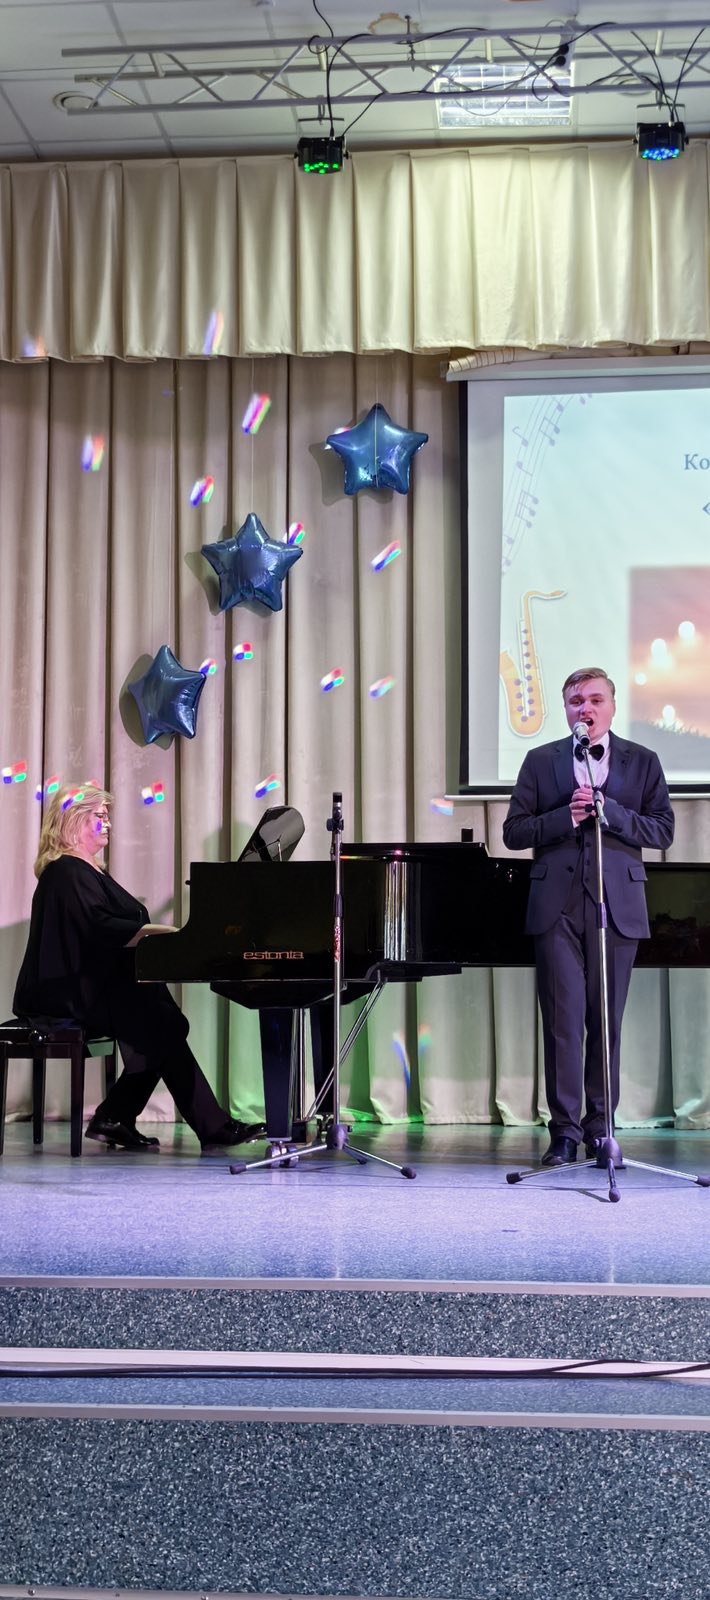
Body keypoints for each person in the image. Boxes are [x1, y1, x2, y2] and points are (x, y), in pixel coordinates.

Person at [13, 784, 264, 1153]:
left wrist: (164, 935)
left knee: (161, 1020)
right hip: (63, 994)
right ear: (72, 820)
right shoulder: (65, 871)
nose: (108, 823)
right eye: (99, 816)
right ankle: (199, 1125)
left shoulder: (88, 871)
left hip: (87, 987)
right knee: (162, 1021)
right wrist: (165, 934)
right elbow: (99, 928)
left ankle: (117, 1117)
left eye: (107, 816)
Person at [502, 667, 675, 1166]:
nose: (586, 708)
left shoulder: (644, 761)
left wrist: (610, 813)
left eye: (596, 699)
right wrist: (567, 818)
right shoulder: (540, 760)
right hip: (556, 907)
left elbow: (662, 830)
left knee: (606, 1023)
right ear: (566, 710)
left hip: (615, 907)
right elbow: (515, 831)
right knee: (562, 1024)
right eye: (577, 701)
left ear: (612, 706)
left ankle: (601, 1130)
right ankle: (563, 1132)